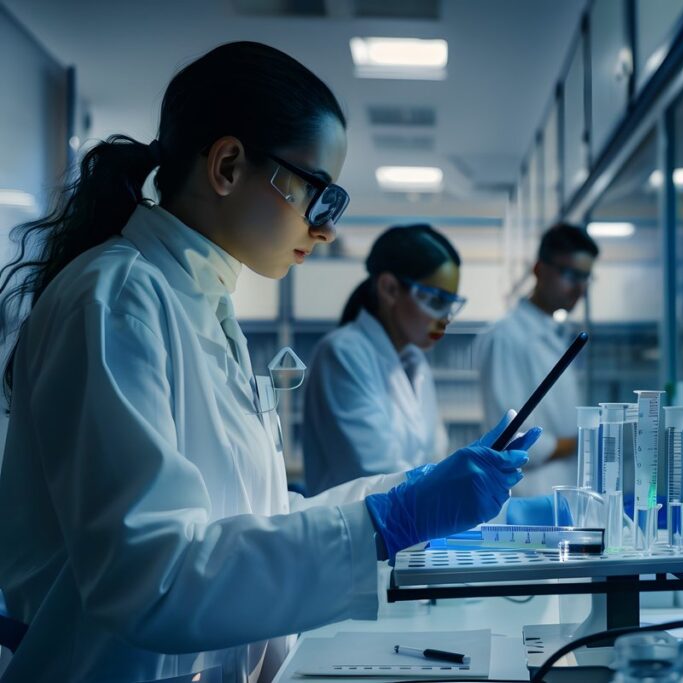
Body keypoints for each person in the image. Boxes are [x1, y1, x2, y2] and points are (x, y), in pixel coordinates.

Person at [0, 41, 538, 683]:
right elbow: (154, 578)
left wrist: (407, 492)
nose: (326, 228)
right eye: (318, 193)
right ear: (227, 166)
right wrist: (390, 521)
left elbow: (256, 522)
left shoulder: (201, 304)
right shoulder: (115, 299)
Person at [302, 224, 464, 494]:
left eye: (451, 305)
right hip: (357, 529)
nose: (445, 317)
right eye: (437, 301)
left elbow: (434, 456)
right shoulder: (343, 352)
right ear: (390, 289)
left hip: (412, 527)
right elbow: (377, 474)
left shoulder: (415, 362)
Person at [476, 223, 599, 497]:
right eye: (569, 274)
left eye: (585, 277)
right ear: (539, 270)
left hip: (561, 495)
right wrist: (586, 440)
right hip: (527, 497)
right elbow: (512, 438)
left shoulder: (555, 335)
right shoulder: (506, 337)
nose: (578, 287)